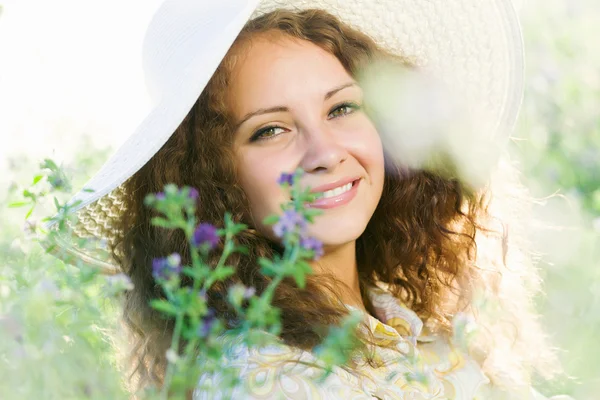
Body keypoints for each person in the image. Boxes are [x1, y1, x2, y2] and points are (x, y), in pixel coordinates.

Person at [48, 0, 571, 399]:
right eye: (270, 130)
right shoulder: (268, 379)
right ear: (211, 181)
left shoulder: (420, 325)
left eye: (342, 109)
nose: (324, 152)